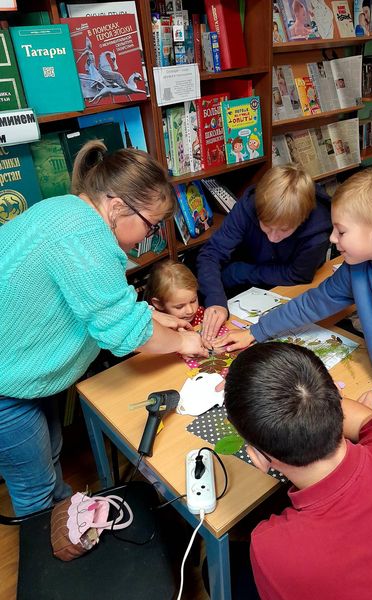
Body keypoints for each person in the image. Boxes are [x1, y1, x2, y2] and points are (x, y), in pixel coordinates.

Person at [0, 140, 207, 516]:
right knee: (34, 491)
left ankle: (63, 516)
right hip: (6, 385)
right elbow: (125, 333)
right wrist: (183, 341)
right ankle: (50, 537)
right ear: (116, 206)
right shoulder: (86, 237)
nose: (148, 236)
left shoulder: (67, 209)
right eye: (150, 225)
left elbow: (94, 301)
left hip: (20, 370)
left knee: (50, 457)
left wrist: (151, 315)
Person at [216, 164, 372, 459]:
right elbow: (314, 302)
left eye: (341, 231)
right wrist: (256, 330)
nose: (332, 239)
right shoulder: (358, 266)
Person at [224, 342, 372, 600]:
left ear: (258, 457)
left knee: (226, 571)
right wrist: (314, 401)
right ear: (337, 398)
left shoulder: (272, 547)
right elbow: (362, 418)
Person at [197, 164, 332, 340]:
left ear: (302, 220)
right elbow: (211, 253)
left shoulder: (319, 232)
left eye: (284, 230)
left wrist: (241, 272)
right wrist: (215, 300)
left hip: (286, 287)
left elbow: (299, 274)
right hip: (244, 286)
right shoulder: (249, 205)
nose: (273, 238)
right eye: (266, 226)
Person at [145, 259, 225, 336]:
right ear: (159, 304)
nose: (190, 311)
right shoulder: (155, 329)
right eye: (179, 306)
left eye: (193, 301)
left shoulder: (200, 314)